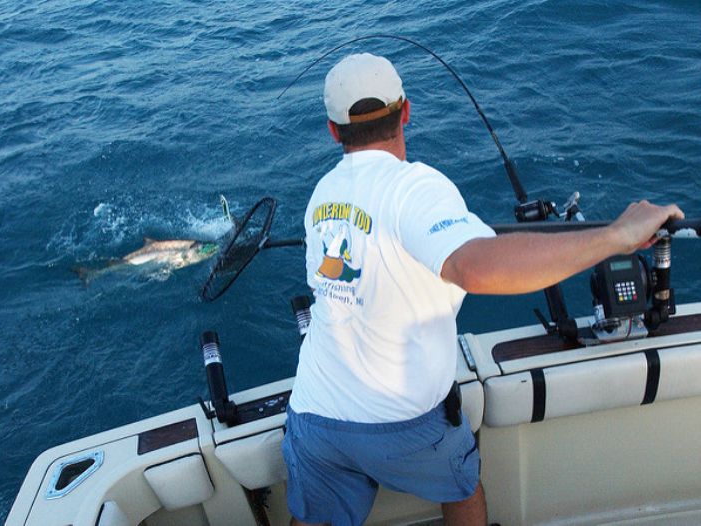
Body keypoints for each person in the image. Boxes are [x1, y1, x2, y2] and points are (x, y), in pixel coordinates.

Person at [282, 53, 684, 526]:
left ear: (333, 131)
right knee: (464, 486)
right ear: (406, 111)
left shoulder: (321, 195)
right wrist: (617, 236)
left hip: (314, 411)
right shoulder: (416, 187)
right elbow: (473, 267)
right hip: (403, 423)